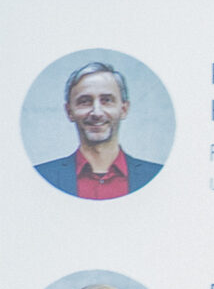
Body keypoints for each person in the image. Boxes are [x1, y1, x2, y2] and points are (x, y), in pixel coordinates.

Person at [35, 61, 163, 198]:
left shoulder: (158, 178)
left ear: (124, 109)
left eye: (107, 100)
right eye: (85, 101)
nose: (96, 113)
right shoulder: (41, 178)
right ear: (69, 112)